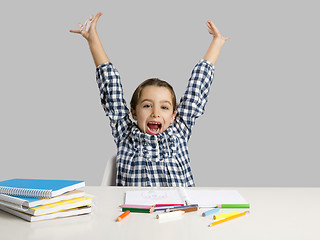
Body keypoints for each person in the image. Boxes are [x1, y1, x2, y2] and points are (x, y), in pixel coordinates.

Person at [70, 12, 229, 187]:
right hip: (135, 213)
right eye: (147, 105)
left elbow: (197, 87)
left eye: (164, 107)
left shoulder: (179, 132)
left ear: (174, 115)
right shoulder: (125, 135)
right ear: (133, 112)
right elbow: (110, 86)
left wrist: (217, 42)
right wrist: (92, 39)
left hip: (179, 212)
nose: (155, 113)